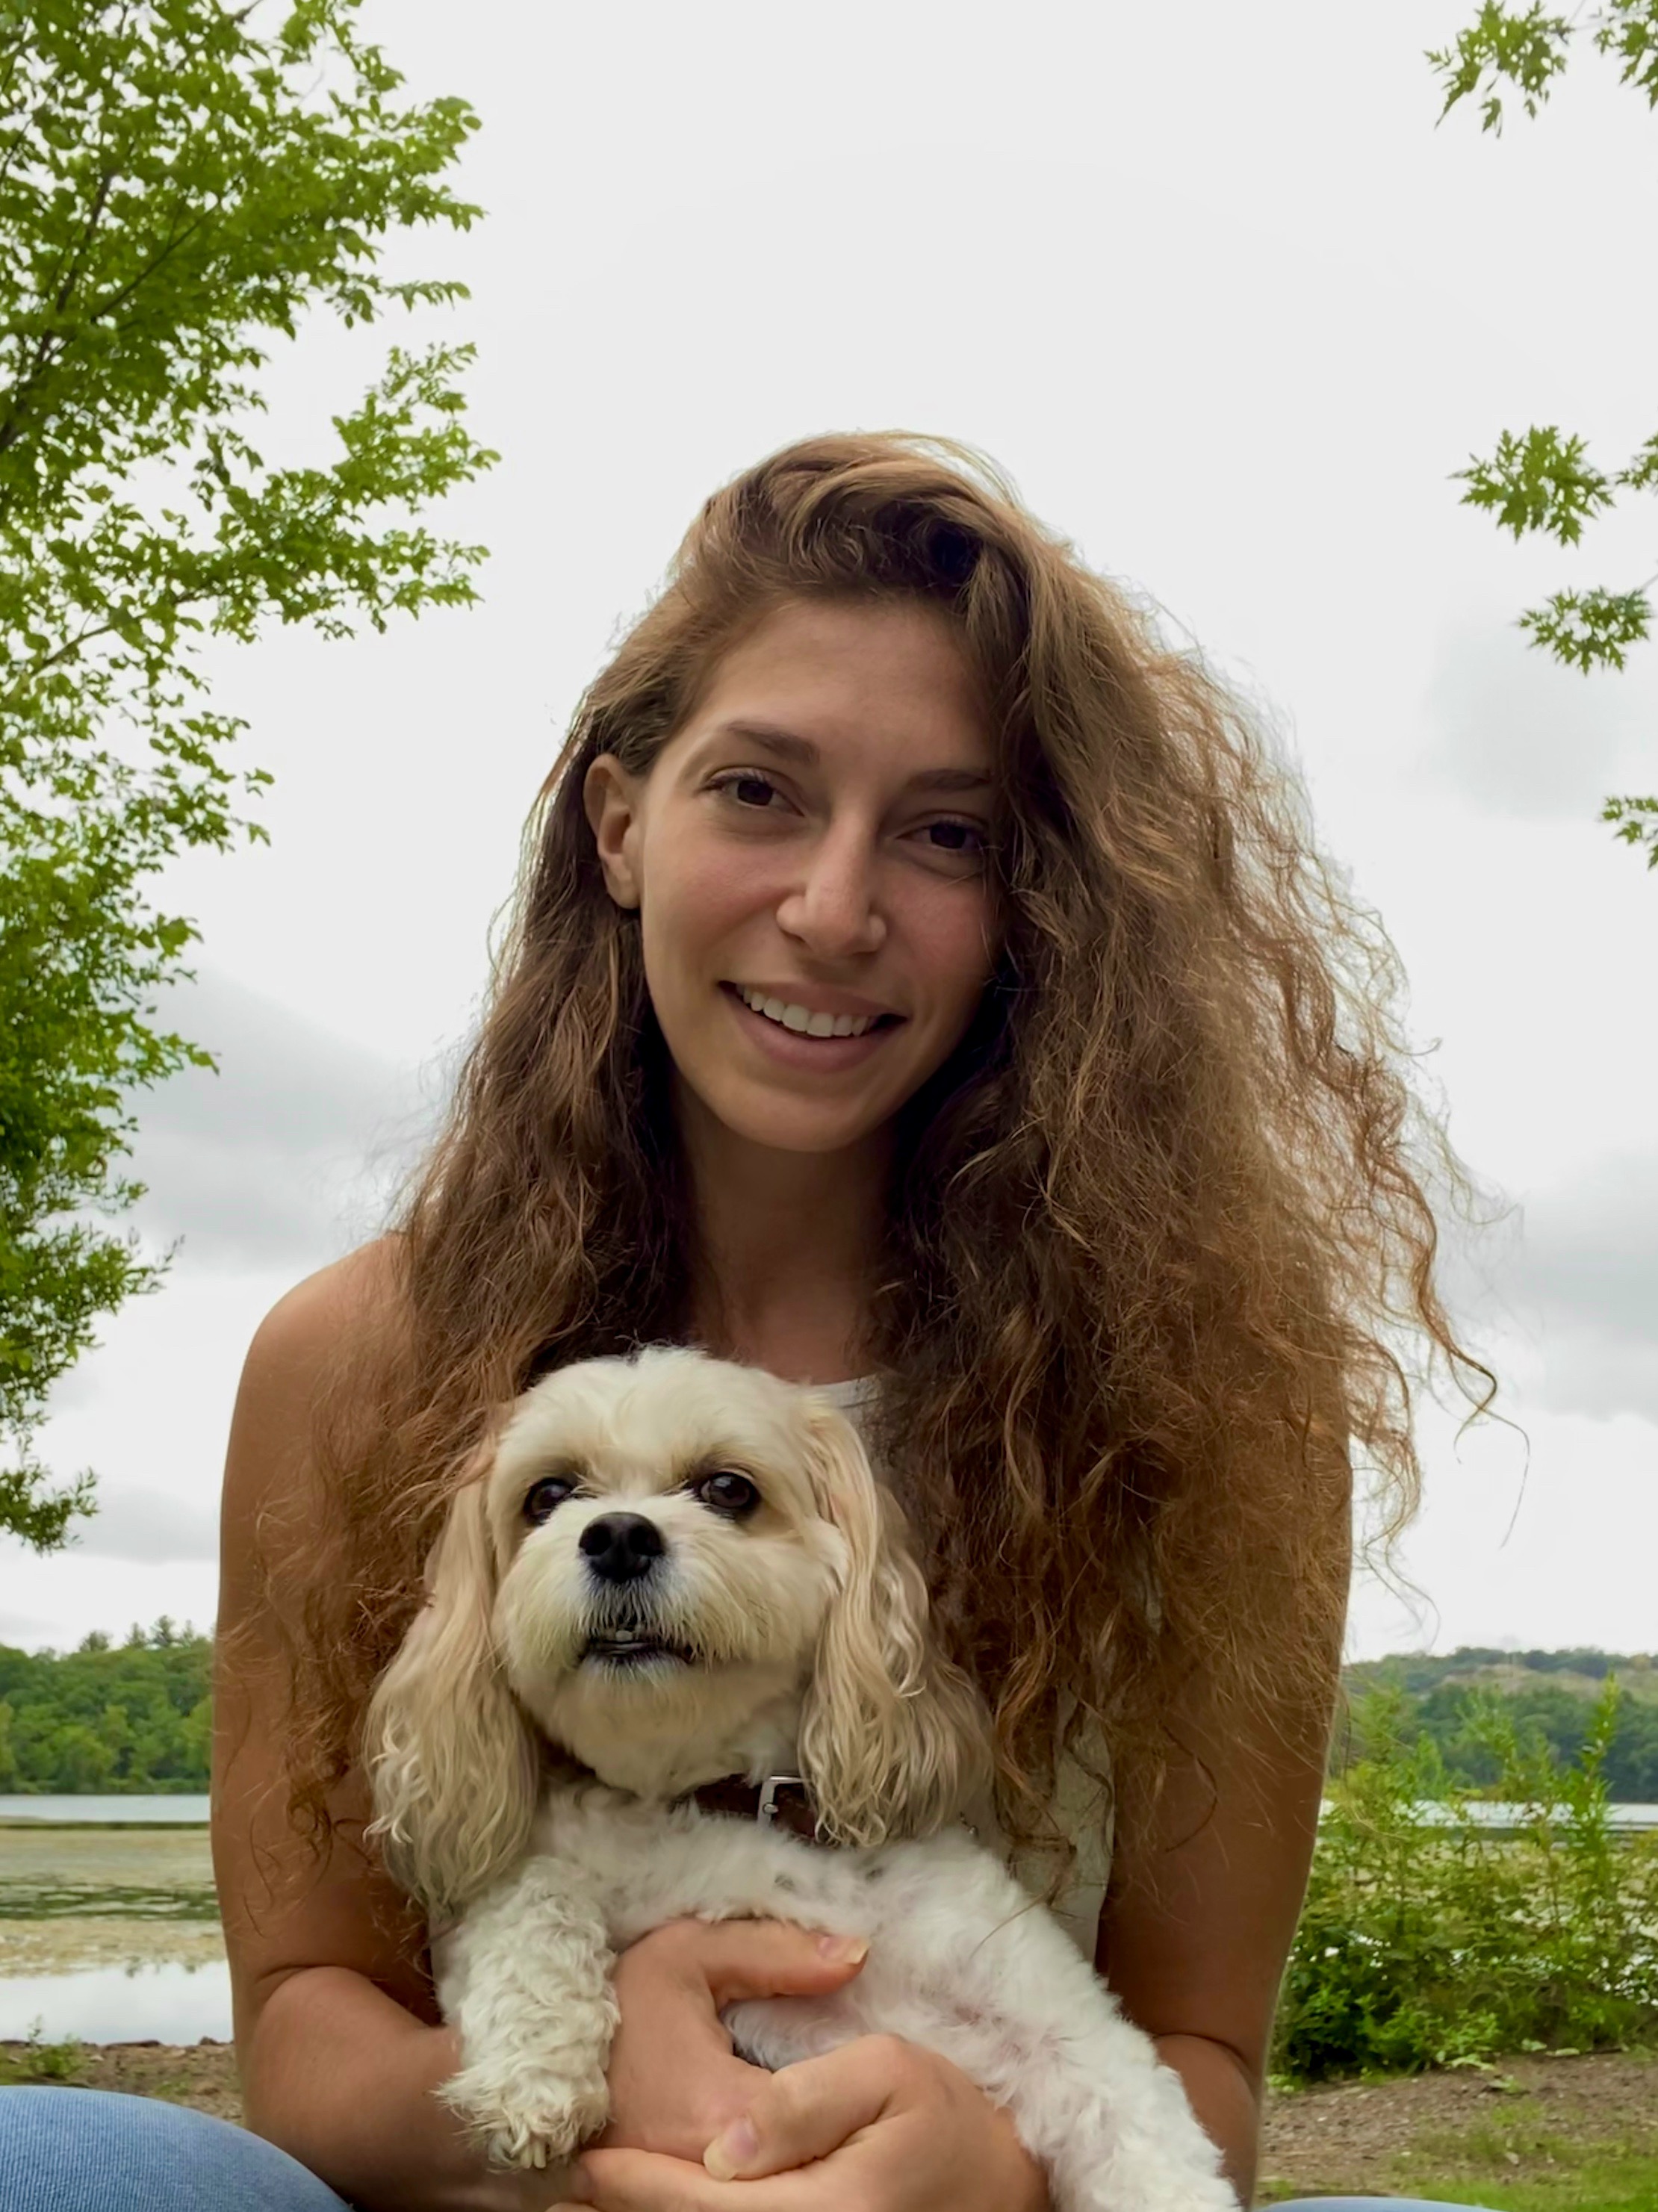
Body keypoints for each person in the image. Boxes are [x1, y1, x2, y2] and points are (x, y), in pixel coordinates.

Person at [0, 432, 1500, 2212]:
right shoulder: (356, 1355)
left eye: (945, 833)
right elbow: (308, 2007)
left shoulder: (1202, 1400)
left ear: (1039, 906)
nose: (835, 906)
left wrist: (987, 2175)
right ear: (621, 822)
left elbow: (1202, 2063)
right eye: (761, 792)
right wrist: (555, 2108)